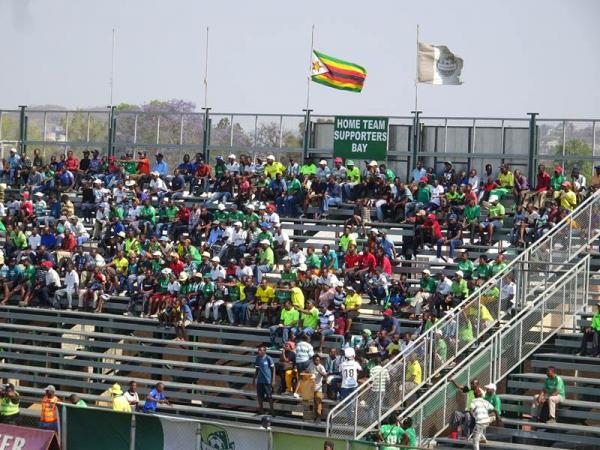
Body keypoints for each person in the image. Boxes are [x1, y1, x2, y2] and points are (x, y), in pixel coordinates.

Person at [253, 345, 275, 416]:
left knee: (269, 396)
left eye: (260, 350)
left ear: (264, 351)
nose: (258, 351)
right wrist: (254, 379)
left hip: (267, 380)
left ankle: (272, 411)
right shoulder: (257, 358)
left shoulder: (268, 358)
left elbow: (273, 369)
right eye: (258, 350)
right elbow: (257, 369)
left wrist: (273, 380)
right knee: (259, 396)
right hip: (260, 381)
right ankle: (261, 410)